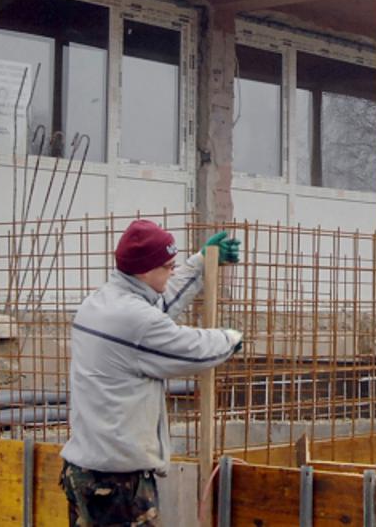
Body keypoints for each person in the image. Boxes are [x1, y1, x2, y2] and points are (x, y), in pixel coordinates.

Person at [60, 219, 244, 526]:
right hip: (117, 484)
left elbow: (158, 305)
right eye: (168, 266)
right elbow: (191, 349)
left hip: (85, 473)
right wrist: (231, 339)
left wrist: (199, 263)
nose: (172, 271)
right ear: (146, 271)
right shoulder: (134, 319)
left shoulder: (100, 303)